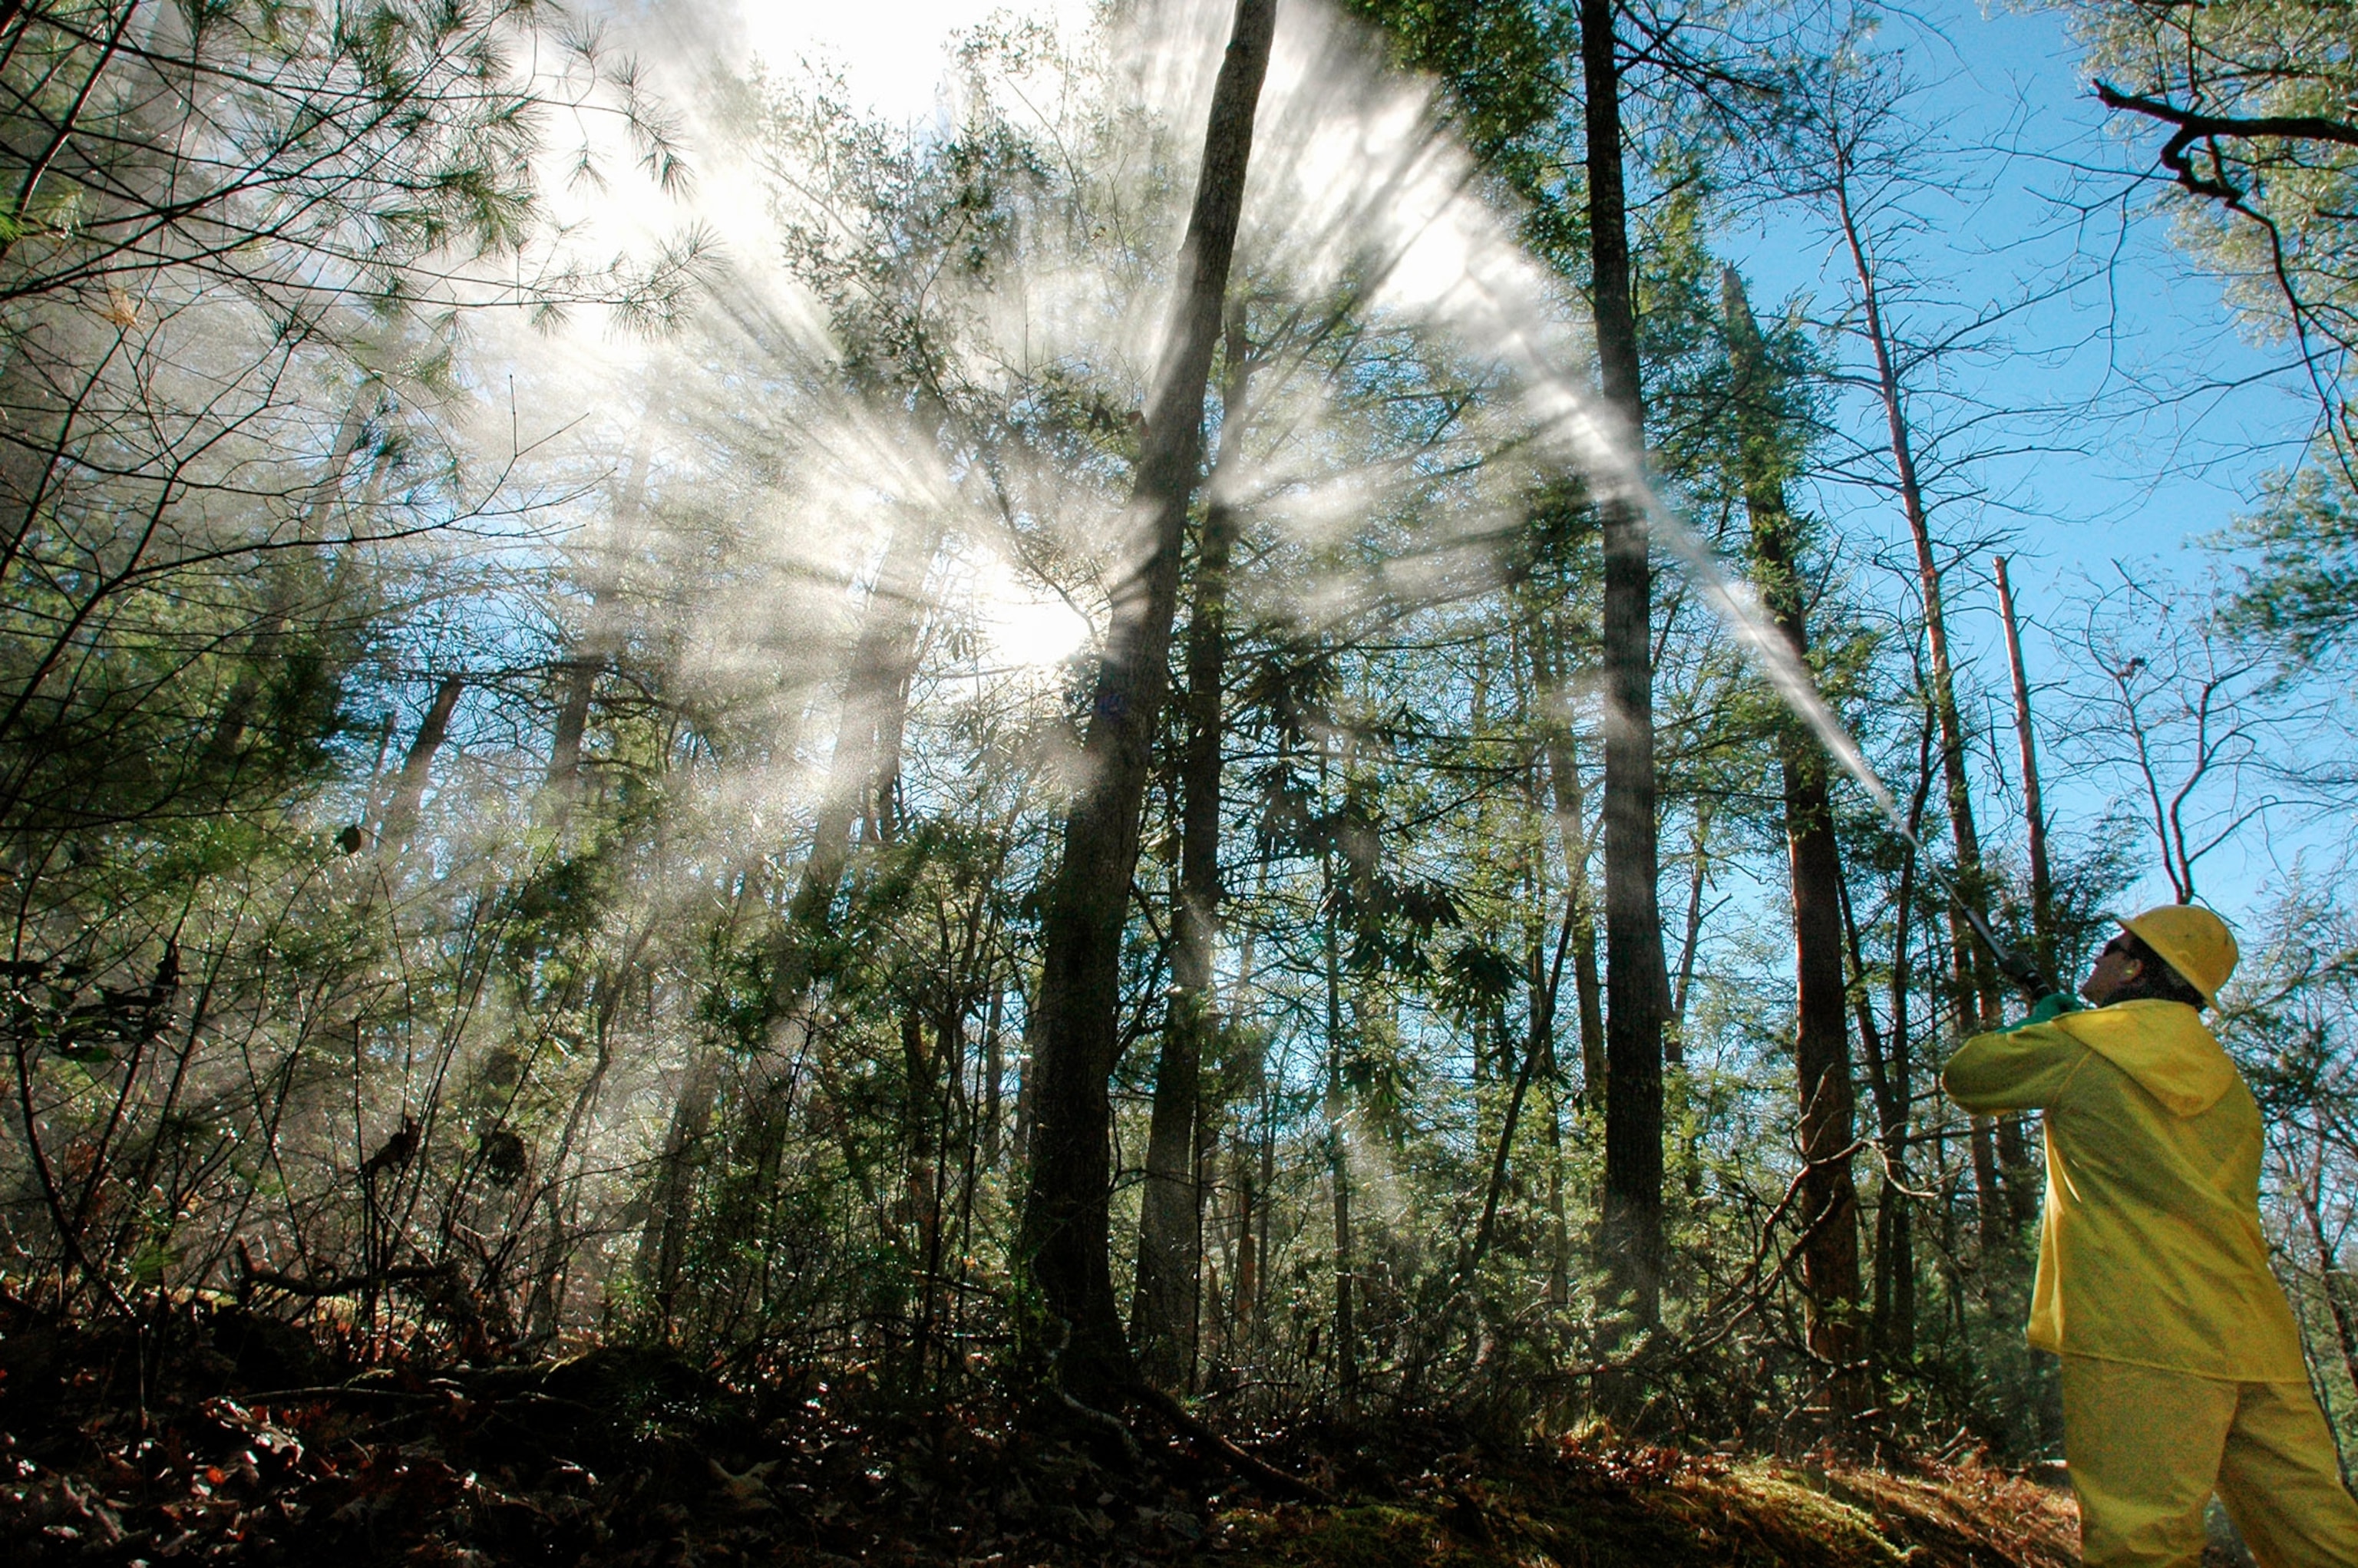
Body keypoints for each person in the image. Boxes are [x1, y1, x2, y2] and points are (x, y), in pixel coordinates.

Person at [1944, 903, 2358, 1568]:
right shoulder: (2228, 1082)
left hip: (2142, 1331)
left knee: (2143, 1544)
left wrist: (2041, 1024)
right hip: (2256, 1338)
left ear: (2136, 967)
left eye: (2115, 946)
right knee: (2322, 1543)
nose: (2102, 954)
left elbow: (1970, 1076)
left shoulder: (2082, 1046)